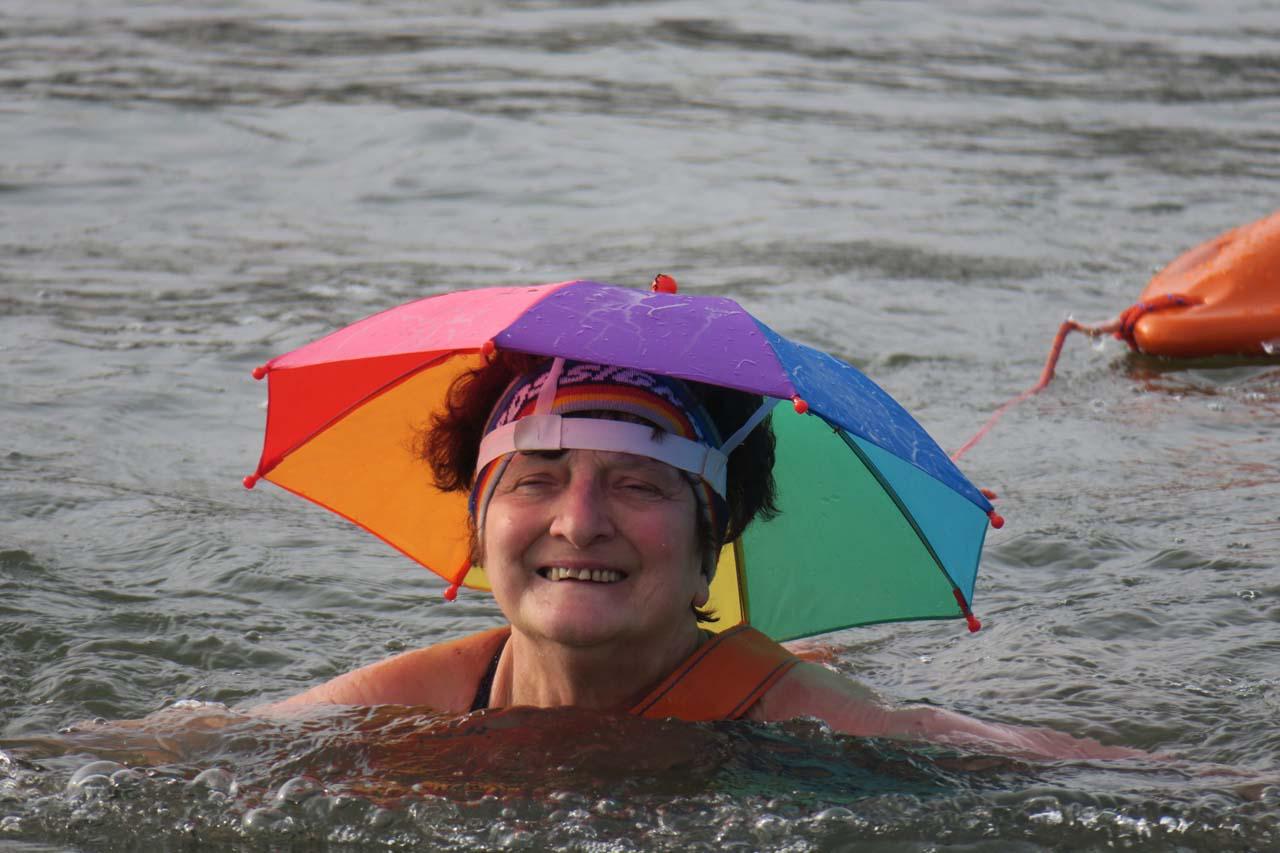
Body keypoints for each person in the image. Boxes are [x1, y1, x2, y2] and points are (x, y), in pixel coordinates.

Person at [262, 352, 1143, 761]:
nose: (579, 522)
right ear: (479, 525)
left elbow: (1102, 774)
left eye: (638, 484)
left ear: (710, 538)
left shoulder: (817, 724)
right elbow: (195, 741)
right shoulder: (409, 705)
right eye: (536, 479)